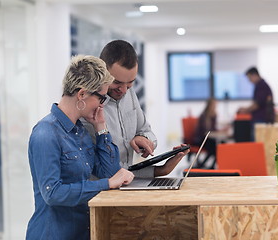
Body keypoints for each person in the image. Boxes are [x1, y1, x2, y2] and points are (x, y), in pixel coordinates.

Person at [26, 55, 134, 240]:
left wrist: (101, 128)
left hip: (81, 232)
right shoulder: (45, 133)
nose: (102, 105)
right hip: (53, 234)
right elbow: (52, 193)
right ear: (82, 94)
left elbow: (109, 172)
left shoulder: (81, 131)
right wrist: (106, 185)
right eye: (101, 98)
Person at [82, 40, 189, 178]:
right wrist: (159, 171)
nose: (124, 90)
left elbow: (147, 132)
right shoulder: (88, 106)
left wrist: (143, 139)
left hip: (125, 182)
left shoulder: (129, 93)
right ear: (102, 72)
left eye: (130, 82)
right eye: (117, 82)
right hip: (100, 189)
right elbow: (103, 169)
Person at [237, 67, 275, 140]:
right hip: (259, 119)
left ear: (254, 75)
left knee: (257, 141)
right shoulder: (259, 85)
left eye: (249, 78)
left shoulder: (262, 86)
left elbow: (257, 104)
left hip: (261, 119)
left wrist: (245, 110)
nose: (249, 81)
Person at [193, 98, 221, 169]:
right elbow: (205, 131)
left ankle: (207, 165)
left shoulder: (214, 115)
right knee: (214, 146)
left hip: (209, 138)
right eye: (214, 105)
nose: (215, 107)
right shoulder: (204, 116)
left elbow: (213, 129)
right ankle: (206, 166)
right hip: (200, 139)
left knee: (221, 145)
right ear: (209, 105)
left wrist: (221, 130)